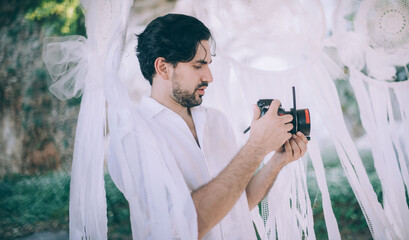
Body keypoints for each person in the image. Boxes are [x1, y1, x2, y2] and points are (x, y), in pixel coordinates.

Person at [109, 13, 308, 239]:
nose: (210, 76)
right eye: (198, 65)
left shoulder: (217, 121)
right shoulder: (134, 135)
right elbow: (181, 228)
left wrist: (277, 161)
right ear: (163, 68)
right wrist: (256, 147)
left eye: (209, 65)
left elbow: (238, 203)